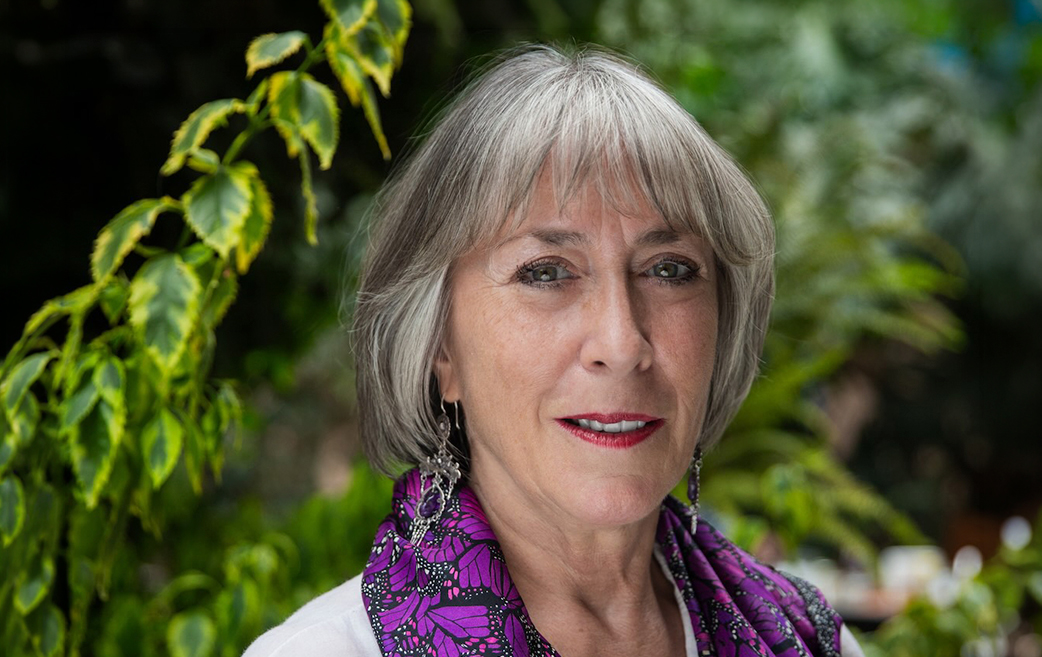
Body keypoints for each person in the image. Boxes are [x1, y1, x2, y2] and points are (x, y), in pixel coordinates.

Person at [244, 44, 865, 657]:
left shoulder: (809, 639)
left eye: (669, 269)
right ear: (440, 349)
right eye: (546, 272)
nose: (622, 344)